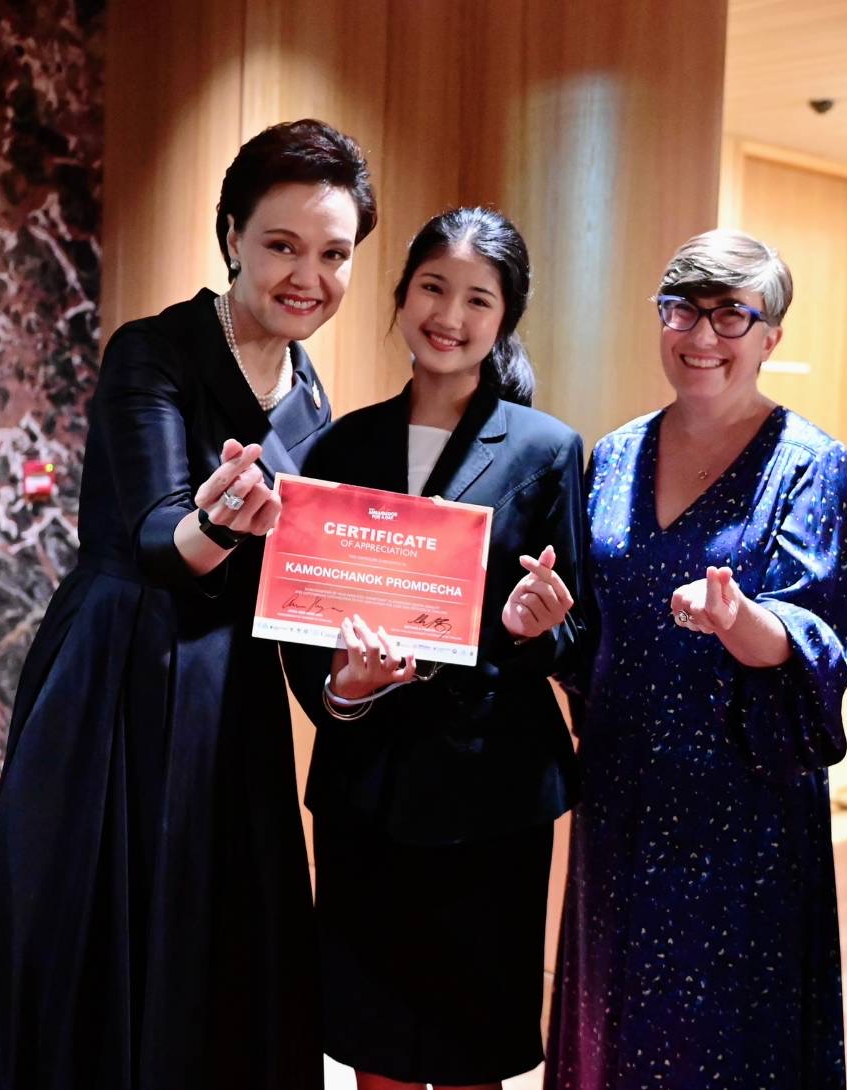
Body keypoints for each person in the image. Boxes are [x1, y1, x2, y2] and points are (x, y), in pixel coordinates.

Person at [0, 119, 376, 1090]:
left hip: (232, 694)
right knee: (93, 938)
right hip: (118, 672)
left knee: (219, 943)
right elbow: (155, 533)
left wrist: (346, 681)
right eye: (282, 245)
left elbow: (291, 591)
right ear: (232, 235)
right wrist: (217, 523)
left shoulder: (314, 399)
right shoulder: (153, 350)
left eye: (334, 253)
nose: (308, 276)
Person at [279, 207, 586, 1090]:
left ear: (505, 317)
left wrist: (534, 629)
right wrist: (343, 690)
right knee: (374, 1046)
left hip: (491, 795)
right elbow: (303, 622)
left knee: (468, 1051)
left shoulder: (547, 449)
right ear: (401, 295)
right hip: (367, 790)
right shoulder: (339, 445)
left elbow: (578, 634)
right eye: (432, 288)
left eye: (477, 299)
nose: (449, 316)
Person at [545, 229, 847, 1090]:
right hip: (621, 790)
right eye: (681, 310)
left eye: (731, 315)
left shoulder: (808, 463)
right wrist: (546, 622)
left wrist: (737, 619)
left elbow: (813, 642)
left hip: (741, 806)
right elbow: (590, 634)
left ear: (770, 336)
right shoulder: (614, 455)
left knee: (720, 1042)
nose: (702, 336)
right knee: (614, 1020)